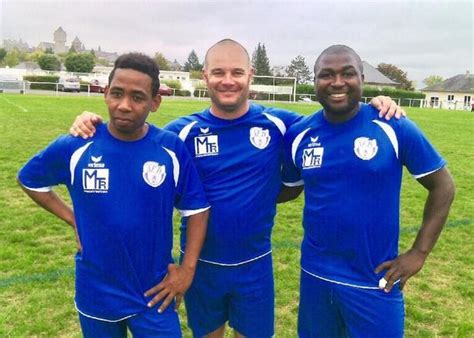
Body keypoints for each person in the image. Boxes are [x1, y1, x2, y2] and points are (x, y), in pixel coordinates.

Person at [69, 39, 405, 338]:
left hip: (254, 264)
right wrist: (89, 121)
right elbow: (130, 140)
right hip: (200, 266)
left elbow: (334, 113)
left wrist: (376, 102)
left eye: (236, 72)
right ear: (205, 76)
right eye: (218, 72)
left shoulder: (280, 124)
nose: (227, 80)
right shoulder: (180, 134)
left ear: (251, 75)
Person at [17, 53, 210, 337]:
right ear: (105, 93)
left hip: (155, 292)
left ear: (155, 103)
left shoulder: (170, 149)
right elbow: (30, 180)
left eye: (137, 97)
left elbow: (196, 209)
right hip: (97, 291)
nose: (124, 105)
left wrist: (187, 270)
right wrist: (73, 219)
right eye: (117, 93)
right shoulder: (77, 145)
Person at [280, 45, 455, 337]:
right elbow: (287, 191)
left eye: (347, 73)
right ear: (315, 81)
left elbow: (443, 186)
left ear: (361, 78)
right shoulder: (300, 135)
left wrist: (419, 252)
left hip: (374, 280)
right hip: (315, 277)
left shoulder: (392, 125)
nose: (337, 82)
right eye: (326, 75)